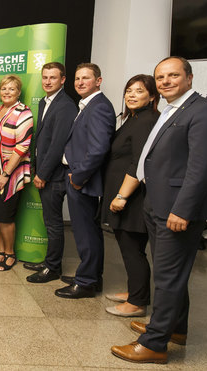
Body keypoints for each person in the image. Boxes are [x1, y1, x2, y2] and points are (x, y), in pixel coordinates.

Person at [112, 57, 207, 364]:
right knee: (172, 275)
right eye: (161, 76)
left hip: (176, 210)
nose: (166, 81)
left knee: (167, 278)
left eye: (173, 75)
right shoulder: (171, 110)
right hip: (158, 205)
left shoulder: (202, 112)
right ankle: (174, 328)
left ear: (190, 77)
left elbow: (201, 167)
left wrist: (183, 209)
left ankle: (155, 342)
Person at [55, 63, 116, 299]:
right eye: (77, 78)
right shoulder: (88, 105)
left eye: (86, 78)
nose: (80, 82)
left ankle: (86, 281)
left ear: (98, 81)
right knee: (87, 231)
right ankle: (91, 276)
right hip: (81, 177)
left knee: (85, 233)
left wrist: (78, 178)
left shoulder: (99, 106)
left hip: (83, 179)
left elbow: (99, 149)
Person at [101, 74, 159, 317]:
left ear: (152, 96)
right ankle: (135, 292)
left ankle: (137, 303)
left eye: (139, 91)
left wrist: (122, 196)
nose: (131, 95)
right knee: (130, 248)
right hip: (124, 193)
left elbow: (139, 162)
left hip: (133, 198)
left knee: (132, 249)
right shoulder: (134, 118)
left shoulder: (147, 120)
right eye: (129, 91)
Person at [25, 62, 78, 283]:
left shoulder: (65, 105)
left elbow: (58, 145)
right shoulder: (45, 102)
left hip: (54, 176)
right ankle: (49, 261)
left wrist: (43, 174)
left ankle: (53, 268)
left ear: (63, 80)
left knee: (54, 224)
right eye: (45, 77)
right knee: (50, 221)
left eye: (53, 78)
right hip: (44, 170)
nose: (47, 81)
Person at [0, 74, 33, 271]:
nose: (7, 92)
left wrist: (5, 174)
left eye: (11, 89)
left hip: (9, 174)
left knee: (5, 216)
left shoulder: (23, 112)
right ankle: (0, 252)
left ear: (18, 92)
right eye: (4, 88)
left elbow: (22, 147)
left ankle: (10, 253)